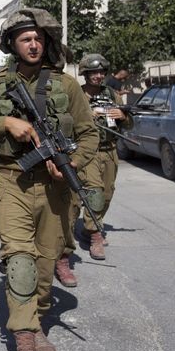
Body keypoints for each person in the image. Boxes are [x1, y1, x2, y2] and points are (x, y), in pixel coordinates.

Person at [0, 8, 98, 351]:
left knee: (47, 265)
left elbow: (89, 134)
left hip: (55, 188)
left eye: (38, 38)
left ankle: (38, 325)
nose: (33, 44)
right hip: (13, 182)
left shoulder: (66, 86)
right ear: (14, 46)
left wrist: (73, 161)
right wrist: (5, 122)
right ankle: (25, 350)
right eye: (25, 39)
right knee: (21, 262)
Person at [56, 54, 128, 287]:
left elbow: (127, 124)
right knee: (92, 193)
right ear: (85, 75)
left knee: (106, 194)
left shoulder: (111, 94)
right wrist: (89, 115)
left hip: (109, 150)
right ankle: (93, 234)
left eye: (101, 73)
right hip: (88, 152)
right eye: (93, 73)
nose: (98, 76)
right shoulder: (76, 94)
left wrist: (123, 116)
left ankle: (89, 230)